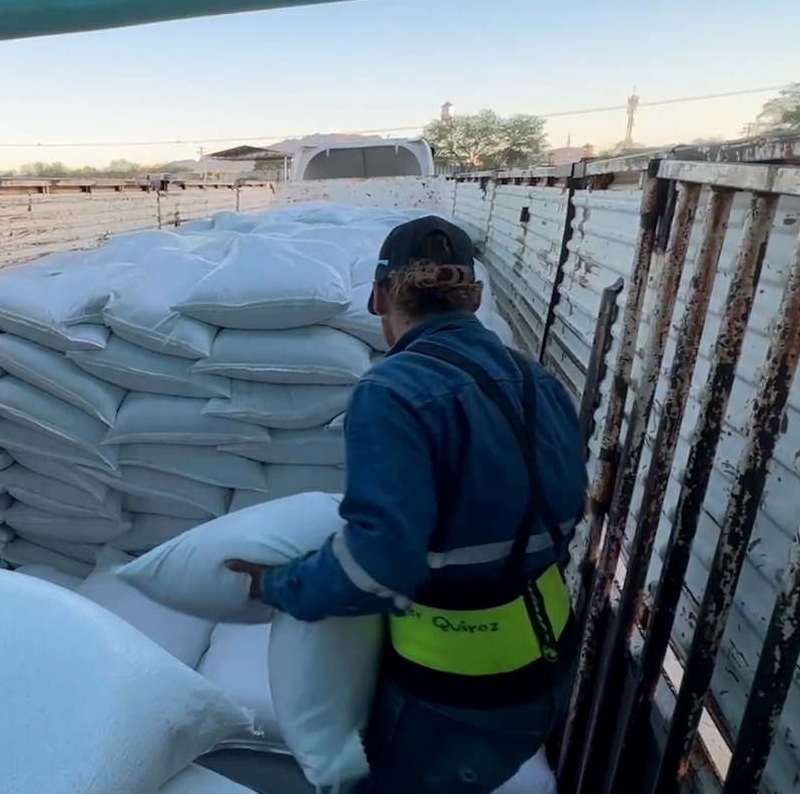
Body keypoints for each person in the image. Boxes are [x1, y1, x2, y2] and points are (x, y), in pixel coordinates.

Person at [227, 216, 587, 793]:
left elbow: (377, 565)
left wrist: (275, 587)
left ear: (377, 298)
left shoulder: (391, 391)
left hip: (456, 692)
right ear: (473, 297)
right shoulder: (535, 380)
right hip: (551, 666)